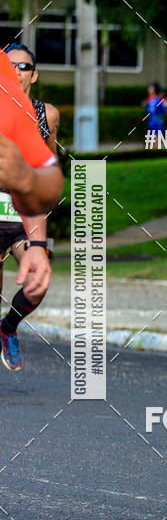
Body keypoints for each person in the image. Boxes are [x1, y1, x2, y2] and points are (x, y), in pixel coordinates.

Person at [0, 43, 60, 370]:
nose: (16, 72)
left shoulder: (46, 115)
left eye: (23, 67)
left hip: (25, 216)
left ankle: (8, 327)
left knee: (38, 284)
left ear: (33, 75)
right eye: (9, 65)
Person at [142, 82, 167, 148]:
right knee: (156, 145)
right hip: (158, 124)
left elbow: (148, 109)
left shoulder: (151, 101)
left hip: (151, 123)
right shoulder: (159, 101)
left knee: (151, 144)